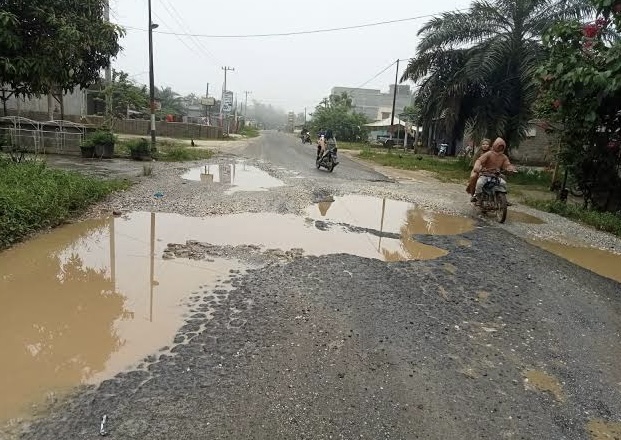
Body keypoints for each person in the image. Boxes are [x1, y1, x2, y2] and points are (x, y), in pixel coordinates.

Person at [471, 137, 516, 203]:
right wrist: (477, 167)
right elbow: (479, 160)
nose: (500, 148)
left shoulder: (504, 157)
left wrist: (511, 169)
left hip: (496, 175)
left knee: (503, 183)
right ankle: (477, 196)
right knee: (479, 183)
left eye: (501, 147)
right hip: (485, 174)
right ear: (495, 145)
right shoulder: (489, 153)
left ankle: (503, 199)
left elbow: (507, 165)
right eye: (498, 146)